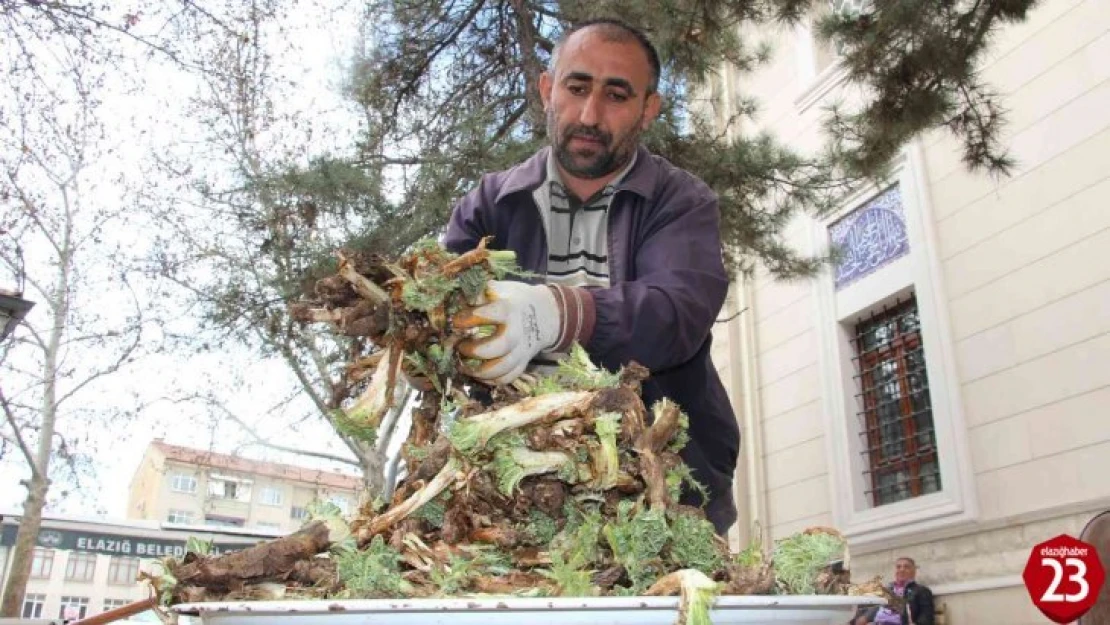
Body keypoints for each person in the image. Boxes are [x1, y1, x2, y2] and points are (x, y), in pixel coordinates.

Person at [443, 18, 740, 535]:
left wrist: (557, 313)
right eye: (576, 87)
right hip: (509, 490)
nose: (589, 114)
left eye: (617, 95)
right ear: (546, 90)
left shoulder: (682, 202)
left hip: (663, 490)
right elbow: (439, 314)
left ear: (649, 108)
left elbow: (674, 314)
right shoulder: (490, 205)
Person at [868, 557, 935, 625]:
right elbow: (874, 608)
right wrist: (865, 618)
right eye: (898, 567)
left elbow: (927, 617)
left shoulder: (921, 591)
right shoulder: (887, 589)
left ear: (914, 571)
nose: (902, 569)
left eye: (906, 567)